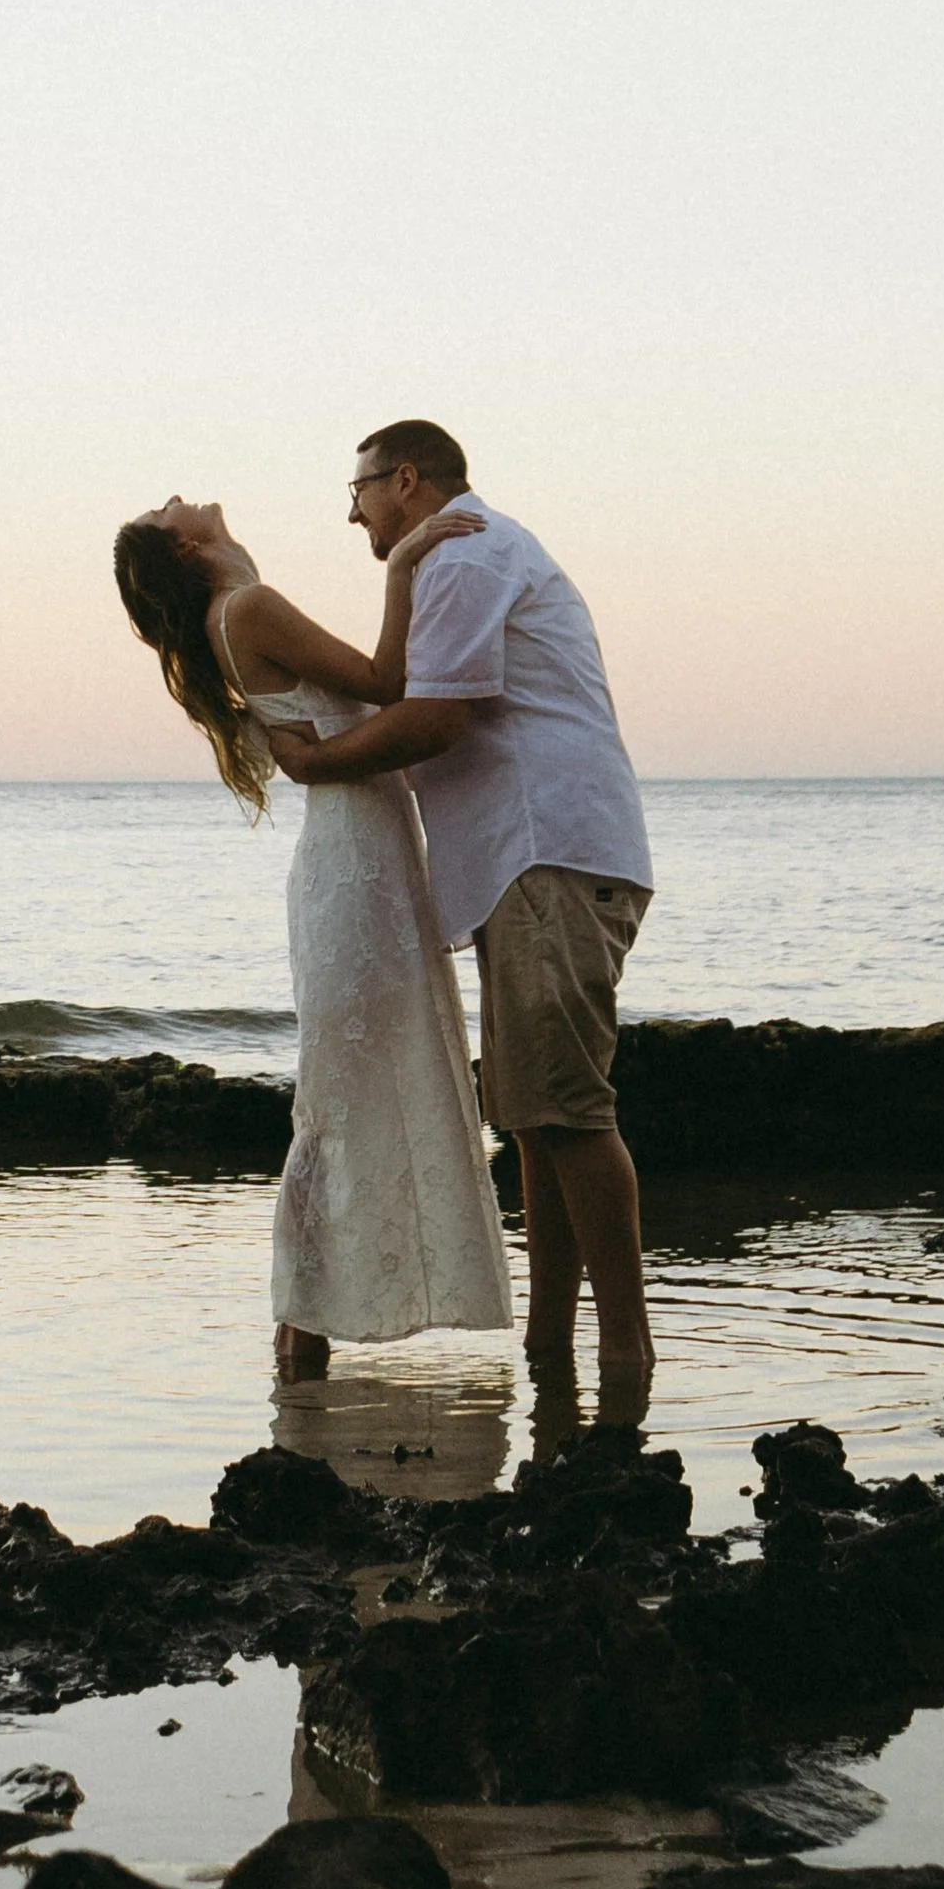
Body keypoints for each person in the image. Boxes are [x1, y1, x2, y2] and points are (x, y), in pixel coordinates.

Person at [262, 423, 656, 1411]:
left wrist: (312, 765)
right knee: (531, 1114)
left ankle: (625, 1356)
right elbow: (414, 693)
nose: (351, 511)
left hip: (547, 852)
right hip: (532, 860)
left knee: (566, 1109)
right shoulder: (455, 554)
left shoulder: (464, 551)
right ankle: (551, 1349)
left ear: (403, 479)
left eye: (356, 489)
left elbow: (435, 715)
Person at [112, 491, 513, 1378]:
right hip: (355, 858)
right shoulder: (248, 607)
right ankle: (301, 1323)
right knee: (341, 1095)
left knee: (344, 1090)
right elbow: (384, 681)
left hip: (358, 848)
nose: (182, 494)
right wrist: (404, 562)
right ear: (183, 546)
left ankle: (306, 1325)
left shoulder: (234, 611)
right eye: (167, 506)